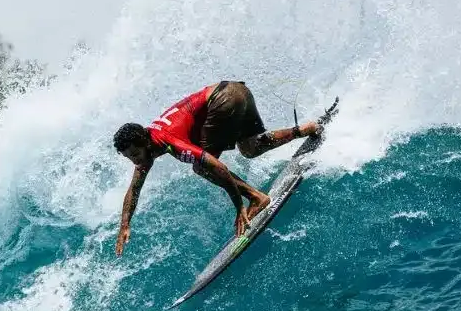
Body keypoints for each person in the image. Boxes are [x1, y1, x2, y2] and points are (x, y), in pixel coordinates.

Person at [112, 80, 332, 257]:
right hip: (237, 91)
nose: (134, 161)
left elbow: (218, 167)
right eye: (129, 157)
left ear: (145, 143)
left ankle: (257, 198)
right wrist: (124, 225)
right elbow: (134, 189)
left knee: (202, 168)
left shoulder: (168, 142)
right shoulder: (147, 142)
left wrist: (240, 206)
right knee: (250, 147)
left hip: (223, 100)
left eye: (134, 154)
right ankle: (305, 129)